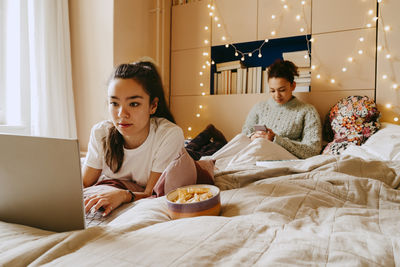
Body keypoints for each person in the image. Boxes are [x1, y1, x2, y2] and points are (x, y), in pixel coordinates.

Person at [83, 61, 184, 216]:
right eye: (114, 103)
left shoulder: (169, 134)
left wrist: (123, 195)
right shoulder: (101, 132)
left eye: (134, 104)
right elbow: (85, 183)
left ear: (153, 105)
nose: (122, 114)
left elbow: (152, 193)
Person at [242, 59, 322, 159]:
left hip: (285, 159)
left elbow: (312, 150)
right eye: (272, 90)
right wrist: (252, 137)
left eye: (282, 90)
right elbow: (243, 137)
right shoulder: (259, 108)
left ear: (293, 86)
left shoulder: (307, 111)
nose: (277, 95)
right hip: (255, 154)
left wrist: (276, 139)